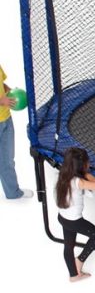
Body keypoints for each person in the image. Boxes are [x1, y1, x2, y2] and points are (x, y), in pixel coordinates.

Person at [55, 147, 95, 282]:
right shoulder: (78, 181)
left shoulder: (62, 174)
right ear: (81, 166)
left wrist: (80, 171)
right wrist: (85, 173)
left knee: (68, 245)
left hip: (63, 217)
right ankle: (79, 261)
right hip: (73, 220)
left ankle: (74, 276)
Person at [0, 64, 33, 199]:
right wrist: (1, 100)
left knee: (7, 159)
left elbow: (2, 83)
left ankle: (12, 192)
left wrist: (10, 92)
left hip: (6, 118)